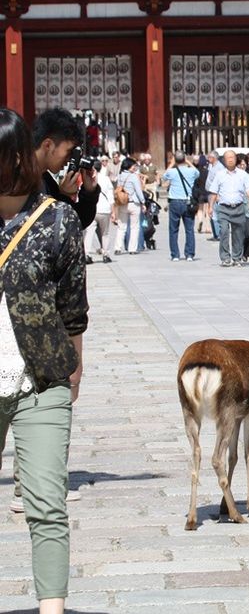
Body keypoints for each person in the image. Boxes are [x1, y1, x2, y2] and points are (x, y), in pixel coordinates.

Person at [0, 107, 88, 614]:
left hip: (41, 380)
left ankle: (50, 609)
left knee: (46, 505)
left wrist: (75, 367)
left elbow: (74, 308)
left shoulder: (58, 220)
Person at [32, 108, 100, 230]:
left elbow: (75, 223)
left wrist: (88, 192)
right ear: (48, 145)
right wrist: (63, 197)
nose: (69, 159)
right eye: (69, 152)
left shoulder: (45, 179)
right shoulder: (17, 179)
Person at [207, 150, 249, 267]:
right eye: (228, 157)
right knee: (223, 231)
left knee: (238, 234)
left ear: (235, 159)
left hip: (238, 207)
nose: (230, 159)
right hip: (223, 208)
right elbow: (213, 191)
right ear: (224, 160)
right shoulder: (220, 174)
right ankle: (225, 258)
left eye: (232, 157)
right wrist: (211, 206)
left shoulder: (243, 174)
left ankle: (237, 257)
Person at [161, 152, 199, 262]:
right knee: (189, 229)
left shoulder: (171, 172)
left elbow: (164, 177)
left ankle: (175, 254)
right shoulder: (191, 171)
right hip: (188, 202)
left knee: (173, 229)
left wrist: (172, 164)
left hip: (174, 201)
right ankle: (189, 254)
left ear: (175, 160)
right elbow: (198, 173)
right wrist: (188, 162)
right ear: (184, 159)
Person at [82, 157, 115, 264]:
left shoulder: (88, 178)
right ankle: (106, 254)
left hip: (92, 208)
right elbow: (110, 197)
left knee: (89, 232)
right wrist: (113, 211)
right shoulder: (106, 179)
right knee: (105, 233)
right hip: (104, 209)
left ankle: (86, 254)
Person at [114, 158, 145, 255]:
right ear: (129, 166)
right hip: (133, 203)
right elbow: (138, 191)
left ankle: (118, 248)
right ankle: (132, 248)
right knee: (134, 227)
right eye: (133, 166)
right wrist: (143, 202)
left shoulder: (120, 176)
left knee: (121, 226)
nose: (134, 168)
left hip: (123, 203)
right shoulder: (133, 177)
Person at [203, 151, 224, 241]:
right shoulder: (211, 166)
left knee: (215, 213)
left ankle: (218, 234)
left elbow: (220, 182)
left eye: (209, 157)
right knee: (211, 213)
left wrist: (218, 194)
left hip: (215, 194)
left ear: (214, 158)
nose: (208, 159)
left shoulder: (219, 168)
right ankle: (215, 233)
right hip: (210, 192)